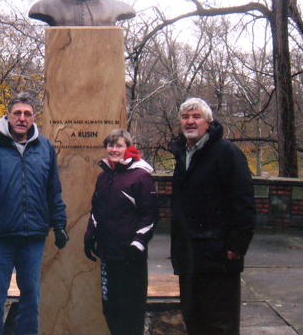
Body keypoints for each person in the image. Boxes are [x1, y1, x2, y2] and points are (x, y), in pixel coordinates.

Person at [0, 92, 68, 335]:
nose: (22, 118)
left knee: (31, 296)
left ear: (34, 118)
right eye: (17, 113)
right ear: (8, 115)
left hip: (33, 236)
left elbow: (53, 189)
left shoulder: (45, 148)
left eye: (27, 114)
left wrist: (60, 223)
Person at [169, 97, 256, 335]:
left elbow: (244, 202)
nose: (190, 121)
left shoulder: (226, 152)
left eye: (196, 116)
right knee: (193, 320)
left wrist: (237, 245)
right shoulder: (182, 154)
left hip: (218, 257)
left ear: (208, 122)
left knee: (219, 324)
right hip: (188, 255)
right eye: (185, 117)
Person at [84, 128, 158, 335]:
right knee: (111, 310)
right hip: (108, 254)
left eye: (119, 145)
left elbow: (150, 215)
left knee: (131, 314)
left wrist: (138, 243)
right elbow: (97, 210)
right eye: (110, 145)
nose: (114, 149)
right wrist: (90, 236)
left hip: (130, 256)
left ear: (128, 148)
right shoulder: (104, 176)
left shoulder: (140, 176)